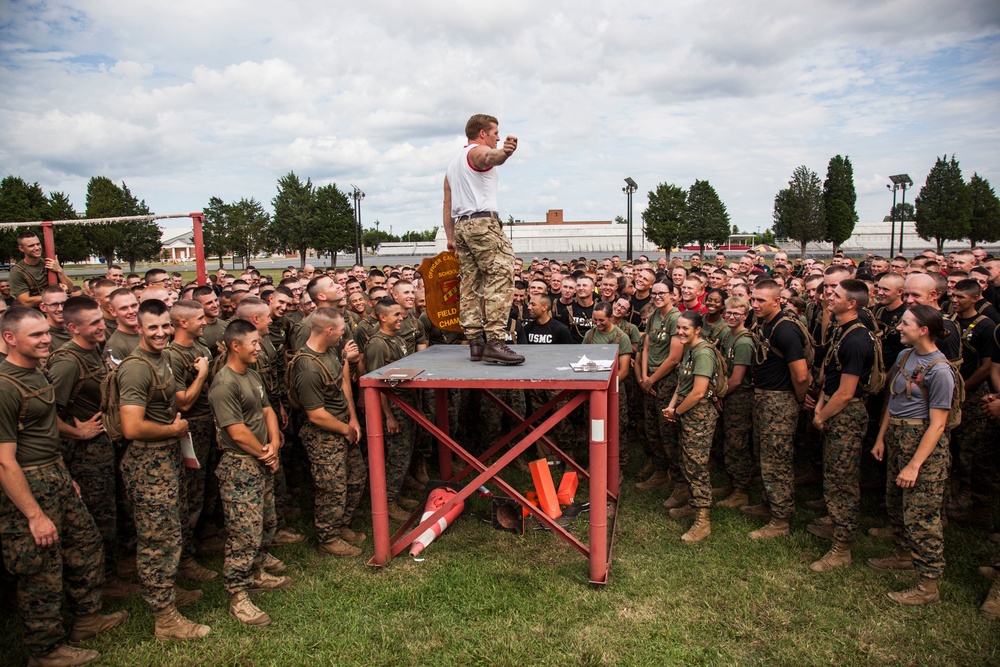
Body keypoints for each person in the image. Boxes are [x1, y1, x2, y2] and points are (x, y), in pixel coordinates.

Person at [0, 307, 129, 666]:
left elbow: (45, 428)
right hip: (27, 484)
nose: (46, 339)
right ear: (10, 339)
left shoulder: (37, 374)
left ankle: (87, 619)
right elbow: (4, 461)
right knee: (40, 569)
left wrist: (64, 473)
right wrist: (34, 515)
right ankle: (44, 650)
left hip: (54, 475)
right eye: (37, 335)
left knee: (86, 545)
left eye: (45, 332)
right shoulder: (5, 386)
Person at [118, 299, 210, 641]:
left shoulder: (161, 359)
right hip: (148, 462)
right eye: (152, 327)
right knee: (157, 539)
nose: (160, 333)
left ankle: (168, 594)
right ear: (139, 329)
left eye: (164, 326)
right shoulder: (137, 367)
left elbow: (178, 400)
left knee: (170, 533)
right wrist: (174, 430)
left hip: (166, 457)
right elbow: (132, 427)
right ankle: (165, 619)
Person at [869, 306, 954, 606]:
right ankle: (903, 554)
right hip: (897, 438)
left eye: (905, 323)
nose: (898, 327)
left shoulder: (940, 370)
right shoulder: (905, 356)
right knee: (895, 501)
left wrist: (915, 465)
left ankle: (928, 585)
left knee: (921, 515)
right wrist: (881, 438)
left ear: (924, 330)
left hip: (922, 446)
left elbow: (939, 424)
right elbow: (893, 403)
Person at [209, 319, 291, 628]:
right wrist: (263, 452)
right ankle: (238, 596)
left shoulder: (252, 375)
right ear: (235, 346)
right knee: (243, 533)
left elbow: (267, 409)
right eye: (254, 343)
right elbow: (235, 430)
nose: (259, 348)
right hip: (240, 465)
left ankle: (257, 573)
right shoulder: (224, 383)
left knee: (267, 521)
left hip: (261, 459)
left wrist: (272, 445)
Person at [443, 113, 524, 365]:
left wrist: (450, 236)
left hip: (462, 225)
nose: (497, 137)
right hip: (483, 223)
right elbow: (490, 157)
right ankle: (496, 341)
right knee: (500, 275)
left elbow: (447, 203)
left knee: (470, 282)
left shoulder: (452, 165)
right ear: (481, 134)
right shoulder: (477, 152)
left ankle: (476, 342)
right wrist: (505, 153)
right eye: (495, 132)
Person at [806, 280, 875, 572]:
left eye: (836, 296)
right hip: (833, 406)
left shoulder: (857, 340)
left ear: (852, 304)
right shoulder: (841, 329)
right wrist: (821, 404)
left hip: (845, 413)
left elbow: (847, 392)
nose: (828, 297)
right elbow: (830, 377)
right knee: (833, 474)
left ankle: (842, 545)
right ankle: (836, 525)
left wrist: (821, 416)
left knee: (843, 480)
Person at [290, 307, 365, 555]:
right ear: (328, 331)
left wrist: (353, 419)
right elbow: (316, 415)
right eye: (341, 331)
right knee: (331, 488)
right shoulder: (307, 367)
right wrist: (345, 428)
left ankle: (341, 524)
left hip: (343, 424)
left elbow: (344, 381)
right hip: (323, 434)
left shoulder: (332, 351)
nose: (344, 335)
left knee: (356, 477)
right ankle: (328, 538)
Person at [745, 280, 812, 540]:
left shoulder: (785, 330)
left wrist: (797, 399)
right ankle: (767, 504)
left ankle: (780, 519)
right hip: (764, 398)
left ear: (778, 301)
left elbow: (801, 375)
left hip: (780, 401)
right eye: (754, 299)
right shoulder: (766, 324)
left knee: (777, 461)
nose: (755, 305)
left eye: (761, 300)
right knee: (764, 455)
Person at [662, 311, 720, 544]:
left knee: (697, 465)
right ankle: (692, 504)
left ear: (698, 329)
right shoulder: (689, 349)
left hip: (699, 415)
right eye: (679, 327)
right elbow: (682, 383)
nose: (681, 332)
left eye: (686, 328)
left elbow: (698, 392)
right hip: (686, 411)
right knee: (686, 460)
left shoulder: (704, 353)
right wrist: (672, 405)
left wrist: (677, 411)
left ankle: (702, 520)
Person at [635, 281, 684, 499]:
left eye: (661, 293)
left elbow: (674, 358)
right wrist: (644, 376)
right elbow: (647, 346)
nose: (657, 297)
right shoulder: (654, 316)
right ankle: (660, 470)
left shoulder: (676, 318)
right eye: (654, 294)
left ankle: (679, 480)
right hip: (650, 378)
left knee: (667, 432)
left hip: (666, 379)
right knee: (652, 427)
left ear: (673, 295)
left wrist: (652, 379)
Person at [715, 296, 756, 509]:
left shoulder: (744, 342)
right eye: (728, 313)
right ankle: (732, 484)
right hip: (728, 395)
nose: (731, 317)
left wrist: (719, 395)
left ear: (745, 316)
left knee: (737, 443)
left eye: (736, 314)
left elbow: (737, 378)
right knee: (729, 442)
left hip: (739, 397)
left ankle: (741, 490)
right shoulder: (728, 335)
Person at [9, 231, 73, 308]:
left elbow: (70, 289)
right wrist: (57, 294)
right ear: (21, 248)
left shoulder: (48, 263)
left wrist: (59, 270)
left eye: (38, 244)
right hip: (35, 314)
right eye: (31, 246)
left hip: (56, 309)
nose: (37, 248)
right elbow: (26, 302)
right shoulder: (17, 271)